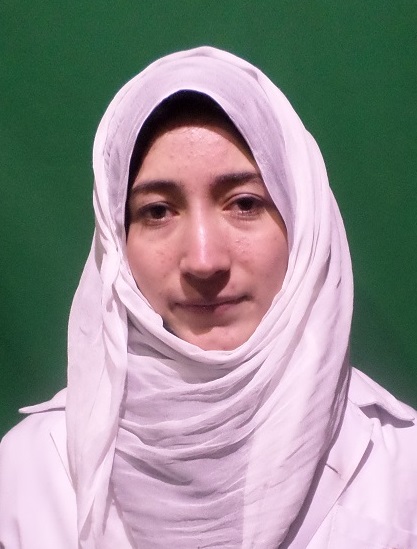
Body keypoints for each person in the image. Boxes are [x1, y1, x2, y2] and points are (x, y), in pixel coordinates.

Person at [0, 46, 416, 549]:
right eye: (157, 211)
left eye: (245, 203)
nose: (203, 260)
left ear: (304, 224)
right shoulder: (27, 471)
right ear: (116, 240)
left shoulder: (402, 466)